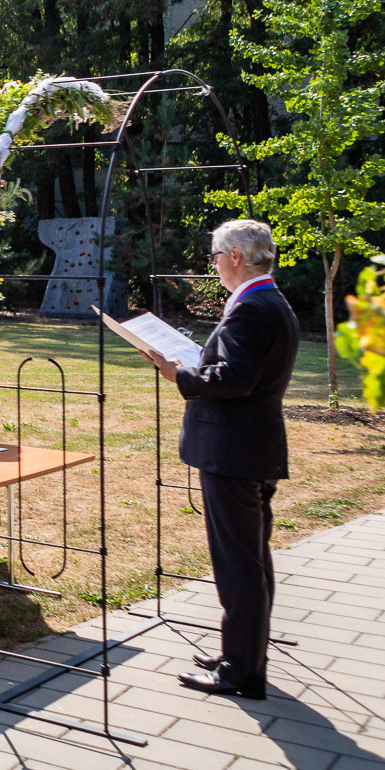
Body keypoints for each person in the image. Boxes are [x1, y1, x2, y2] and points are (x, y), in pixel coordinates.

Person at [141, 219, 299, 700]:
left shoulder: (251, 308)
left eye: (214, 256)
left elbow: (234, 380)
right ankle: (245, 655)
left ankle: (240, 672)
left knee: (238, 566)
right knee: (251, 558)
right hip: (251, 447)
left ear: (234, 257)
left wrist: (180, 374)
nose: (212, 265)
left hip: (233, 451)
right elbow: (241, 370)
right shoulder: (270, 300)